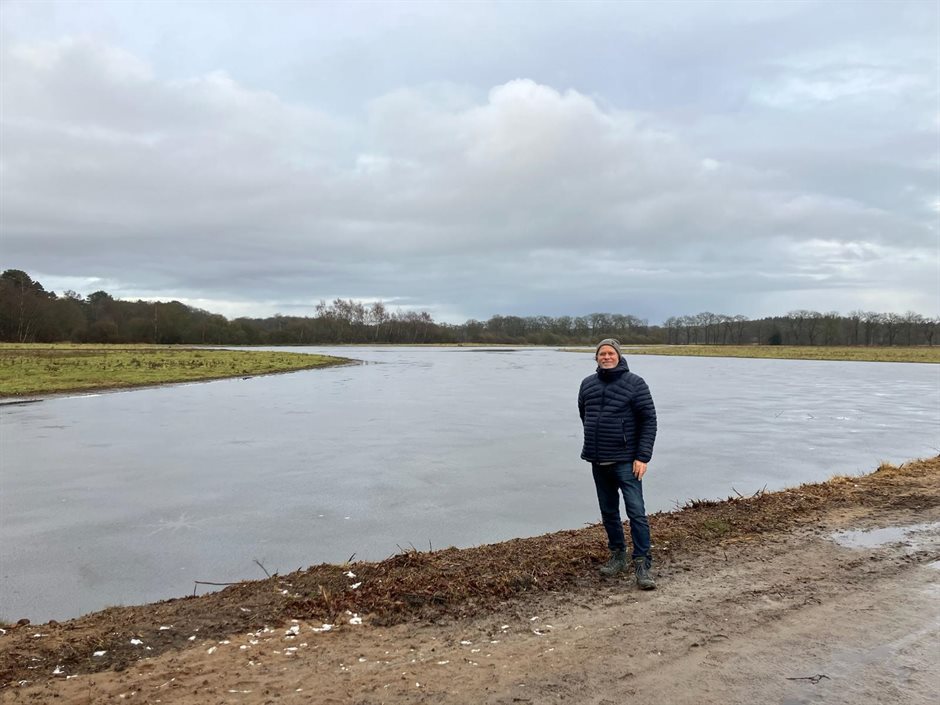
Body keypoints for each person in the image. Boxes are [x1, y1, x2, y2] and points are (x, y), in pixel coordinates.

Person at [578, 338, 658, 589]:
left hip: (627, 461)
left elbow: (649, 421)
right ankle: (618, 555)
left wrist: (642, 457)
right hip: (598, 459)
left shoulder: (635, 383)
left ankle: (642, 563)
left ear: (619, 356)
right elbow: (585, 415)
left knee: (636, 513)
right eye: (602, 353)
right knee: (609, 512)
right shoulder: (587, 384)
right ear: (596, 358)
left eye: (611, 353)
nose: (606, 357)